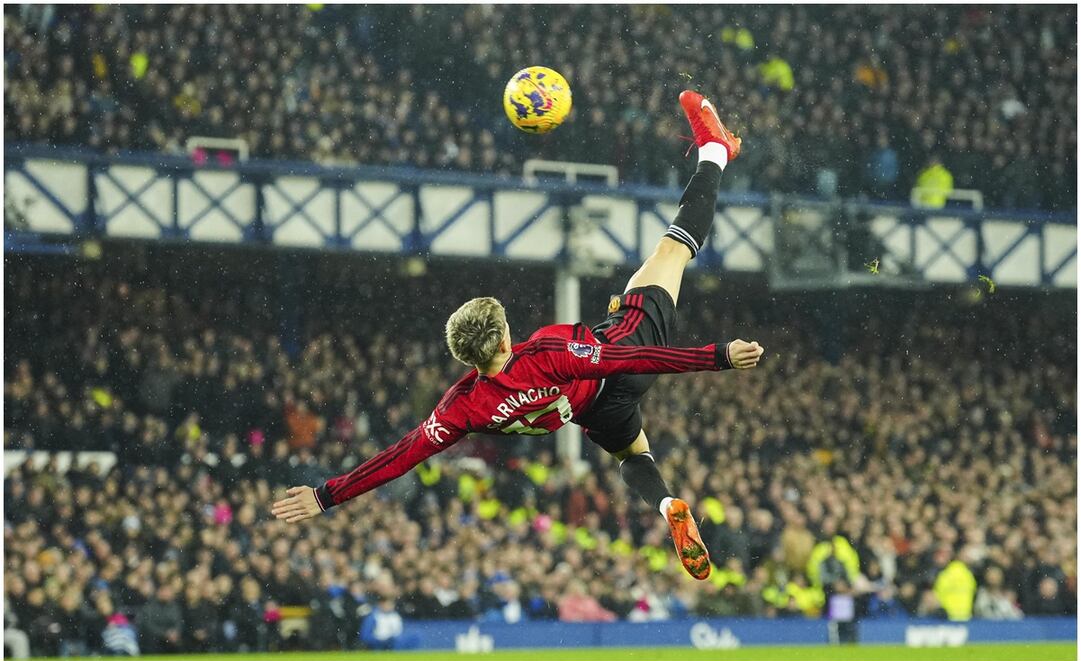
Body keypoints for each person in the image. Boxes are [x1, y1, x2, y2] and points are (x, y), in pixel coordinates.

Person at [272, 90, 764, 581]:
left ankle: (665, 504)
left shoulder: (461, 407)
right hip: (621, 357)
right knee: (672, 251)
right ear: (506, 339)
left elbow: (399, 457)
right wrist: (718, 355)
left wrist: (326, 495)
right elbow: (622, 361)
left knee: (632, 453)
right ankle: (714, 151)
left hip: (594, 413)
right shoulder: (547, 351)